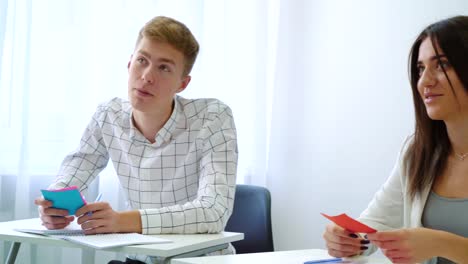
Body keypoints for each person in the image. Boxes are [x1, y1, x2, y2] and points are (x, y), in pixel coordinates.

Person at [34, 16, 238, 264]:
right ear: (130, 63)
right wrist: (54, 205)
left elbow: (213, 212)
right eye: (142, 61)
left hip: (199, 260)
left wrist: (123, 221)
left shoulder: (212, 117)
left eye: (164, 68)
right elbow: (75, 169)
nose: (147, 76)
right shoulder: (108, 115)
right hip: (140, 259)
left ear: (182, 84)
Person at [323, 15, 468, 264]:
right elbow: (375, 223)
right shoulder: (418, 151)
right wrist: (349, 237)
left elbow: (434, 242)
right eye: (421, 69)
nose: (425, 81)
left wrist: (441, 243)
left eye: (442, 65)